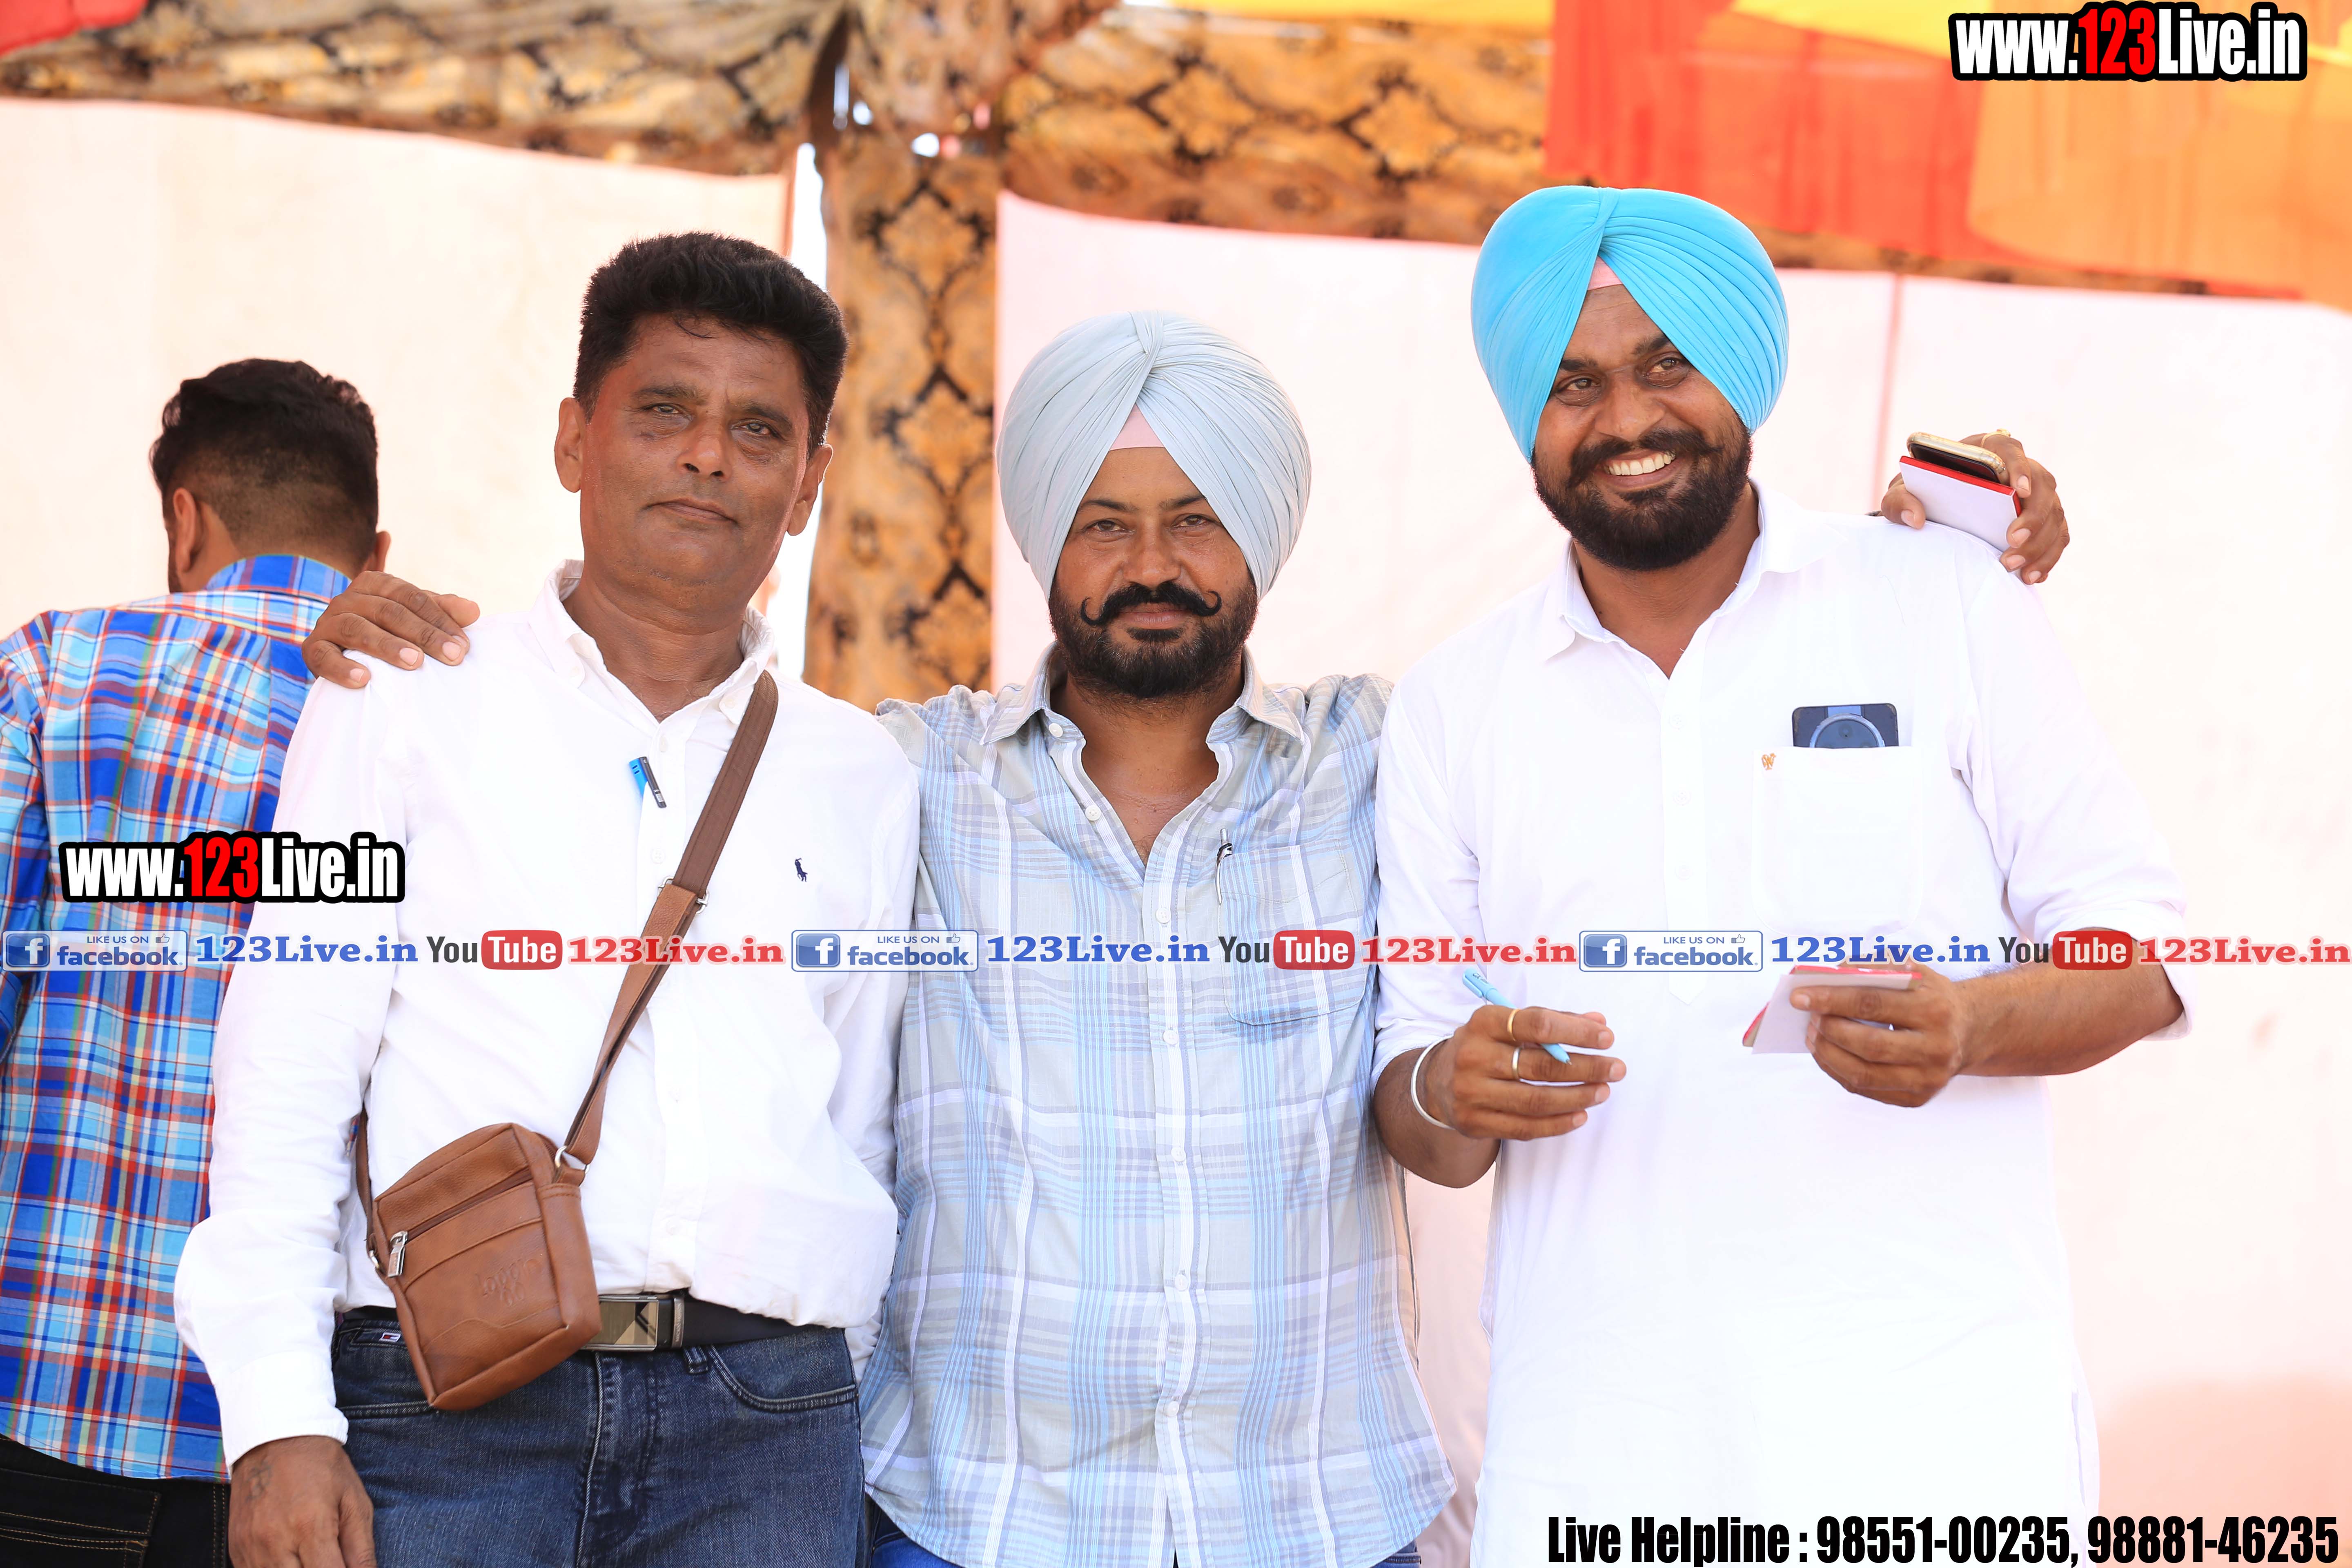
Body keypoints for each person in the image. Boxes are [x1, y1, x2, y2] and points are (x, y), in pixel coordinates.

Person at [301, 295, 2076, 1566]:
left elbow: (1636, 650)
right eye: (1103, 523)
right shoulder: (895, 779)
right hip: (971, 1518)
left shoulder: (1398, 756)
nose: (1150, 562)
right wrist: (351, 634)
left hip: (1318, 1516)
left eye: (1197, 520)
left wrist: (1907, 546)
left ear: (1263, 543)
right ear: (1046, 549)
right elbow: (637, 735)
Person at [1369, 186, 2188, 1555]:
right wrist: (1451, 1089)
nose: (1628, 419)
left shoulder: (1939, 599)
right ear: (1526, 414)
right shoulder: (1454, 707)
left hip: (1941, 1450)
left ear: (1741, 371)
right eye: (1573, 383)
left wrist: (1976, 1024)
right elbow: (1420, 1112)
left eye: (1667, 363)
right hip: (1598, 1467)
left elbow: (2142, 956)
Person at [173, 232, 919, 1568]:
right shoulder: (401, 699)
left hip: (766, 1435)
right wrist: (278, 1419)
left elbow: (858, 1121)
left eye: (759, 430)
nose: (709, 456)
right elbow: (288, 1061)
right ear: (576, 439)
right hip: (447, 1411)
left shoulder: (863, 771)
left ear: (809, 483)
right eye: (664, 411)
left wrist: (830, 1391)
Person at [0, 359, 388, 1565]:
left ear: (186, 520)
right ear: (376, 556)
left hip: (37, 1384)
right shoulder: (427, 719)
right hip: (313, 1441)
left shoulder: (58, 672)